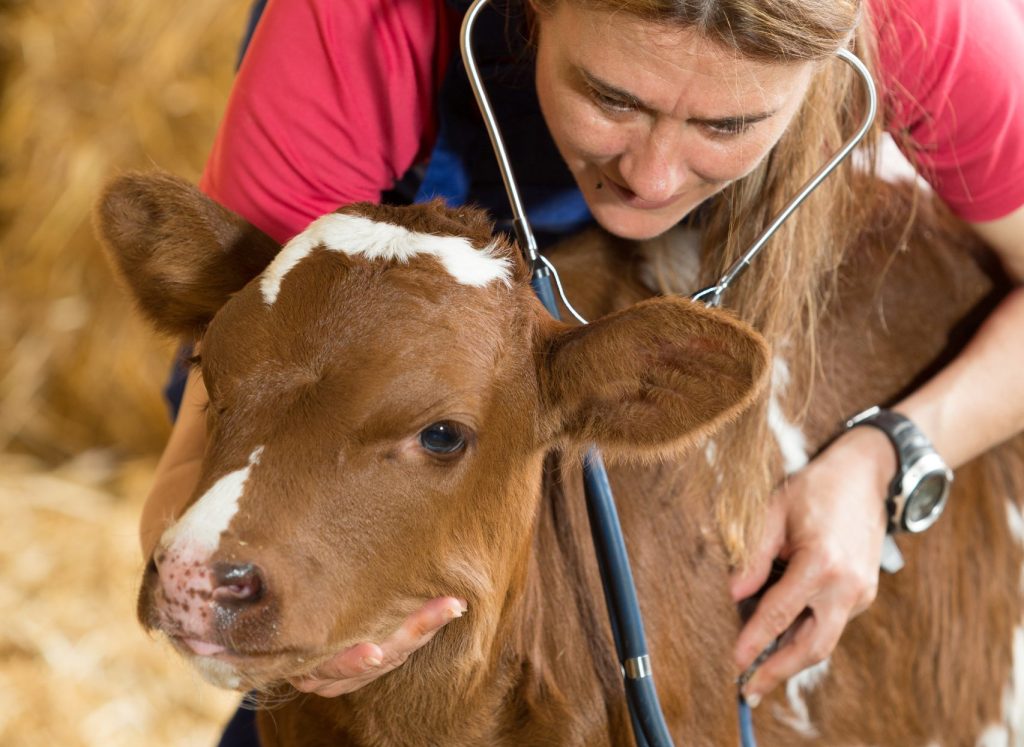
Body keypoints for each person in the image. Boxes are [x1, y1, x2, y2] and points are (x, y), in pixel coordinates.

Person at [141, 0, 1024, 741]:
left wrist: (890, 453)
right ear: (530, 12)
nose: (651, 174)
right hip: (394, 259)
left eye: (730, 122)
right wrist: (232, 594)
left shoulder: (931, 27)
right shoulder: (359, 23)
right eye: (611, 96)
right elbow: (216, 446)